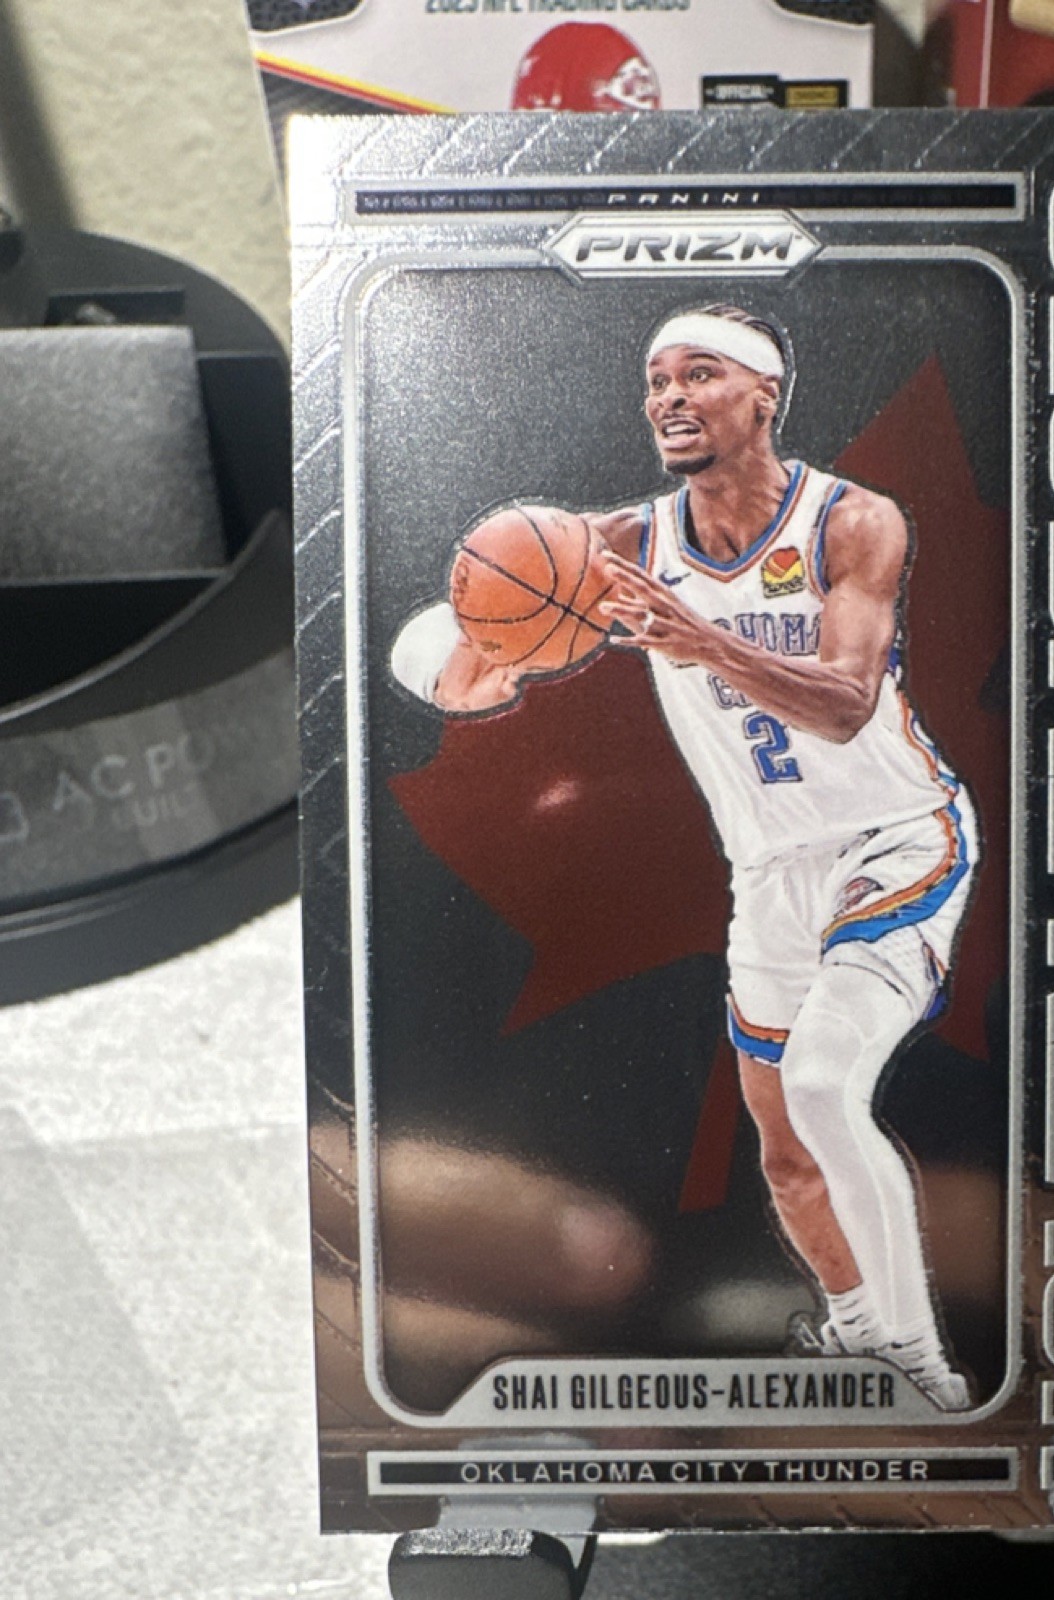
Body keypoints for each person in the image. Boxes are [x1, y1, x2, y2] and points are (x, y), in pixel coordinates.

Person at [389, 304, 977, 1410]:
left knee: (822, 1085)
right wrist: (471, 656)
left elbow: (846, 704)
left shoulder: (852, 522)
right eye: (657, 380)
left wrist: (701, 638)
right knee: (785, 1155)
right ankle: (858, 1331)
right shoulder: (616, 546)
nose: (669, 397)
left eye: (698, 374)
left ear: (764, 395)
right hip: (770, 873)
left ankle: (919, 1367)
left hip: (893, 836)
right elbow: (442, 637)